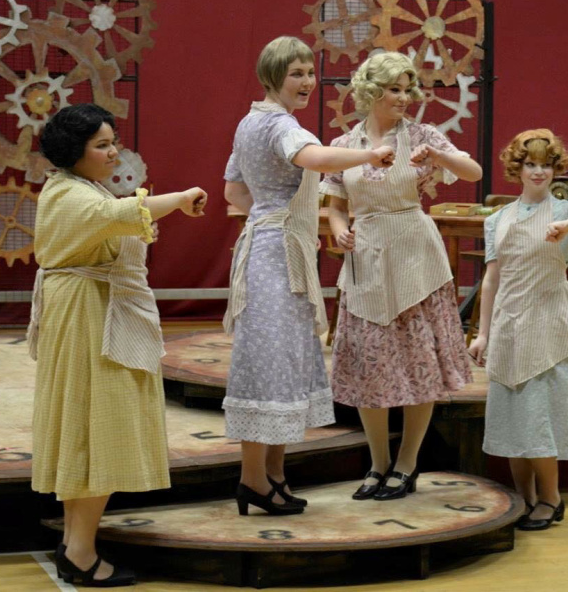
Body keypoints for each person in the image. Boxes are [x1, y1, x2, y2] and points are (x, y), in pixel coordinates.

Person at [28, 103, 208, 586]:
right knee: (95, 426)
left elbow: (114, 218)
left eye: (114, 142)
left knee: (90, 426)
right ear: (75, 152)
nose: (113, 153)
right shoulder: (70, 194)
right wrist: (181, 196)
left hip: (90, 308)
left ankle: (75, 544)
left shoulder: (79, 187)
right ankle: (81, 553)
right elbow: (117, 213)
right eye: (102, 145)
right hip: (86, 314)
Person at [222, 36, 395, 516]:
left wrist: (279, 215)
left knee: (284, 365)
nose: (307, 82)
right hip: (275, 254)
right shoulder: (279, 124)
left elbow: (235, 193)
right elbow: (315, 159)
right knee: (267, 365)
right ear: (273, 76)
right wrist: (369, 155)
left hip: (271, 245)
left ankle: (274, 476)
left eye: (309, 72)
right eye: (296, 73)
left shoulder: (248, 122)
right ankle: (253, 479)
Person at [321, 52, 481, 501]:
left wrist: (443, 158)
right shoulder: (345, 143)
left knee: (417, 363)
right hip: (368, 256)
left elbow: (475, 171)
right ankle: (377, 462)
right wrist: (339, 230)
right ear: (371, 91)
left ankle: (408, 462)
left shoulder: (422, 134)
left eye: (408, 88)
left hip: (415, 254)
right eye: (394, 88)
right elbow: (333, 204)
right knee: (370, 365)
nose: (404, 97)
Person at [468, 129, 568, 530]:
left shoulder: (567, 211)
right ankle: (525, 498)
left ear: (557, 169)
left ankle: (552, 499)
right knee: (510, 419)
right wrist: (482, 334)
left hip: (547, 322)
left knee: (537, 417)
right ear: (517, 169)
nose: (538, 172)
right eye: (531, 164)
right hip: (508, 324)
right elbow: (490, 280)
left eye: (546, 165)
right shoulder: (499, 218)